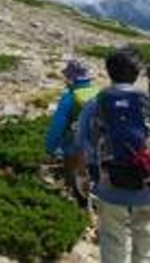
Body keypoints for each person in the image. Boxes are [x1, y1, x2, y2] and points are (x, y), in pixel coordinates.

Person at [76, 45, 150, 263]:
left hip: (108, 186)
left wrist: (82, 176)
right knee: (145, 235)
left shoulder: (93, 106)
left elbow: (80, 147)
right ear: (137, 73)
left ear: (109, 71)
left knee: (112, 240)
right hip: (149, 187)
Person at [46, 60, 99, 205]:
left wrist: (50, 148)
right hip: (99, 146)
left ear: (70, 79)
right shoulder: (99, 94)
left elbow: (57, 126)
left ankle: (74, 202)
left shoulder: (69, 98)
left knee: (72, 174)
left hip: (74, 147)